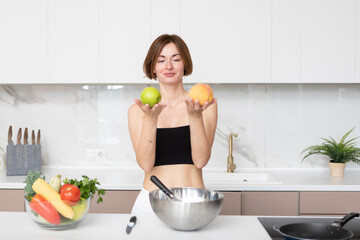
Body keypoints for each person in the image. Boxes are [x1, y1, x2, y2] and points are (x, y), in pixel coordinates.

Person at [128, 34, 217, 216]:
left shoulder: (204, 106)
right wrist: (151, 119)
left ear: (185, 65)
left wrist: (195, 116)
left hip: (194, 202)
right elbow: (145, 164)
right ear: (153, 67)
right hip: (150, 205)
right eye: (161, 60)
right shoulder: (138, 111)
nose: (168, 66)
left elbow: (201, 160)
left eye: (176, 59)